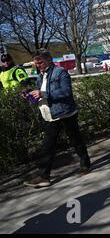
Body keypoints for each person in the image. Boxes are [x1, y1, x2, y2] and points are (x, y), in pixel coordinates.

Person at [23, 49, 91, 188]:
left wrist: (42, 93)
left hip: (65, 114)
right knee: (47, 147)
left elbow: (66, 92)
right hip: (50, 116)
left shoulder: (60, 72)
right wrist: (32, 96)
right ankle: (44, 176)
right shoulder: (40, 76)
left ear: (49, 60)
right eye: (36, 63)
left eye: (40, 62)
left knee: (75, 140)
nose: (38, 65)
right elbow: (43, 95)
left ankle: (85, 164)